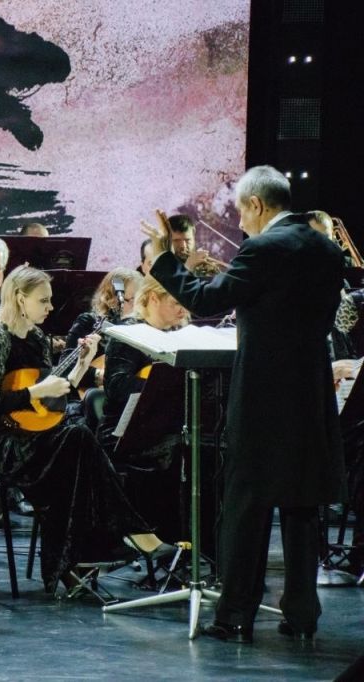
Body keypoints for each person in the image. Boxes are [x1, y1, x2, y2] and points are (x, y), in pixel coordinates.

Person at [142, 164, 346, 643]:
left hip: (263, 398)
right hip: (311, 394)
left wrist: (164, 257)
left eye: (241, 211)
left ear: (256, 204)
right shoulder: (326, 248)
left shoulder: (264, 248)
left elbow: (206, 300)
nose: (240, 222)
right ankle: (301, 615)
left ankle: (234, 616)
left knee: (246, 508)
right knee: (301, 506)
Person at [0, 265, 171, 593]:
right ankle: (121, 536)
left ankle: (75, 559)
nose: (51, 307)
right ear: (19, 298)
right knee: (76, 442)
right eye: (43, 300)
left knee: (75, 449)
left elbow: (53, 398)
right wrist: (36, 391)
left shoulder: (36, 337)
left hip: (35, 432)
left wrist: (81, 364)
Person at [96, 276, 190, 543]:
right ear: (153, 298)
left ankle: (201, 543)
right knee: (181, 450)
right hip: (125, 432)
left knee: (208, 448)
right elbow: (116, 387)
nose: (184, 310)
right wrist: (160, 382)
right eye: (176, 303)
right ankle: (167, 540)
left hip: (167, 427)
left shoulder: (181, 335)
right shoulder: (128, 335)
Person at [63, 267, 143, 388]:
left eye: (142, 299)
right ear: (111, 299)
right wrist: (98, 375)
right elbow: (65, 367)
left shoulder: (144, 330)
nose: (138, 306)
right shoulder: (88, 322)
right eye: (132, 299)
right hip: (90, 393)